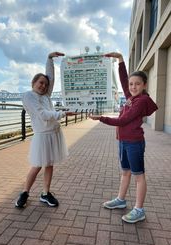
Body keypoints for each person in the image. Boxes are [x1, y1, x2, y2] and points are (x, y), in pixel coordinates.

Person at [89, 52, 158, 223]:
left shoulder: (141, 101)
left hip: (134, 143)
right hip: (124, 142)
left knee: (138, 175)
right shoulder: (131, 97)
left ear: (144, 85)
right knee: (125, 172)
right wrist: (120, 60)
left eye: (137, 84)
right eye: (131, 84)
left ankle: (139, 209)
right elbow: (122, 79)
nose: (133, 87)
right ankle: (121, 200)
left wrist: (101, 118)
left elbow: (123, 120)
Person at [15, 51, 74, 208]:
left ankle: (45, 193)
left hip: (54, 134)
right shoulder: (28, 96)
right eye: (40, 83)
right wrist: (62, 113)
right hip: (42, 136)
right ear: (33, 83)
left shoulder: (46, 96)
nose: (44, 86)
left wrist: (49, 59)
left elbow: (50, 77)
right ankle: (25, 192)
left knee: (49, 164)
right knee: (37, 165)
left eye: (46, 85)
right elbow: (42, 115)